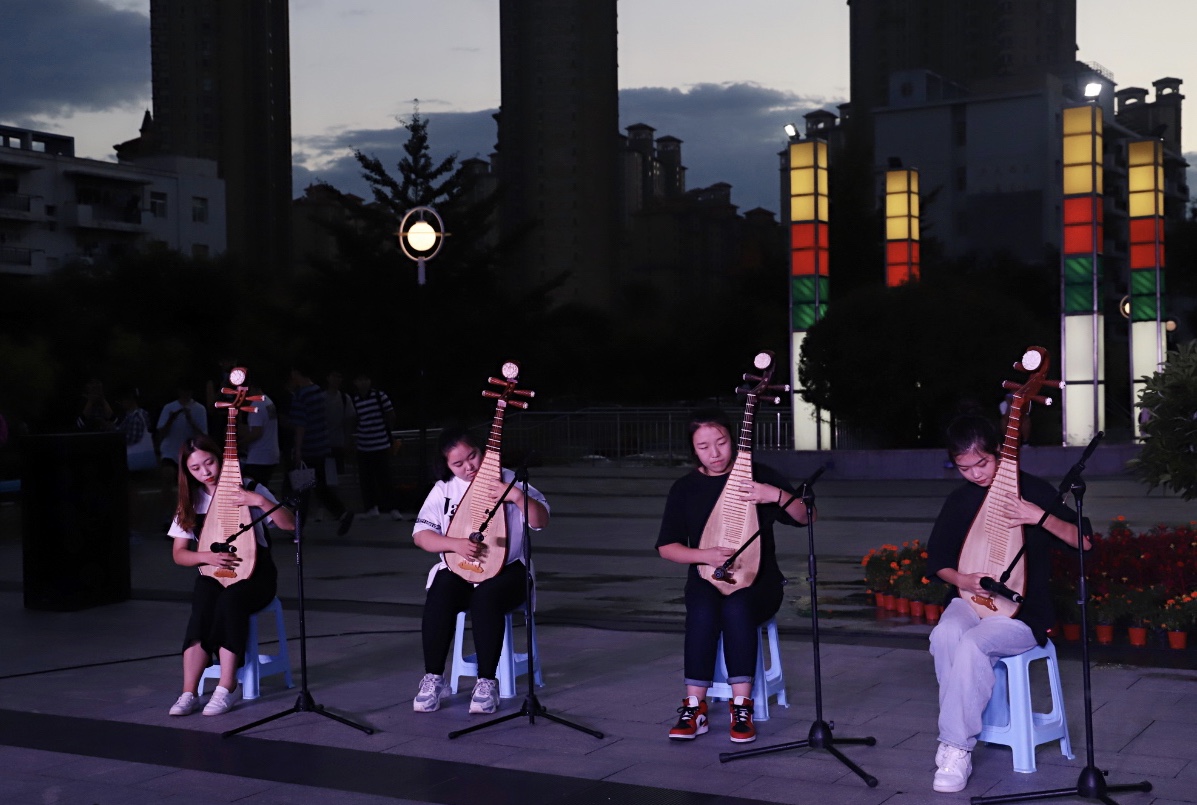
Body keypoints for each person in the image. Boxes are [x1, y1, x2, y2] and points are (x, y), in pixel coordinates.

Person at [925, 413, 1091, 794]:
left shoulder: (1032, 490)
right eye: (964, 468)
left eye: (982, 463)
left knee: (973, 644)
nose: (975, 474)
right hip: (970, 599)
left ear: (1000, 450)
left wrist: (1039, 516)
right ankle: (957, 732)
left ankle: (956, 747)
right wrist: (963, 581)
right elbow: (938, 561)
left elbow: (1083, 542)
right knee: (946, 634)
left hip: (1022, 613)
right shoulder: (960, 500)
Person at [656, 408, 810, 744]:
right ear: (693, 449)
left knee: (737, 607)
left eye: (721, 442)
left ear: (734, 440)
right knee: (702, 609)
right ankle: (694, 707)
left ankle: (741, 707)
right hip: (706, 577)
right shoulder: (685, 488)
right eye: (703, 447)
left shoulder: (757, 475)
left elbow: (805, 516)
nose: (714, 453)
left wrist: (773, 494)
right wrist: (705, 555)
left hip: (761, 581)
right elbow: (667, 547)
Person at [410, 427, 549, 715]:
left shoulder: (509, 479)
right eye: (458, 464)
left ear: (483, 451)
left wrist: (516, 496)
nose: (469, 467)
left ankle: (487, 682)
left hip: (509, 571)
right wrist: (455, 544)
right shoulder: (445, 489)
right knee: (441, 589)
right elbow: (421, 535)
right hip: (460, 568)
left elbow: (541, 521)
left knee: (486, 597)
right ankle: (434, 677)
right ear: (446, 465)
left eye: (472, 456)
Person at [166, 435, 295, 717]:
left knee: (230, 600)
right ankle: (189, 692)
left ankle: (228, 686)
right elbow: (179, 554)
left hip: (256, 577)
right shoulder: (191, 501)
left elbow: (290, 525)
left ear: (221, 459)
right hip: (214, 573)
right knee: (203, 600)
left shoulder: (250, 486)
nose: (205, 472)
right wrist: (207, 557)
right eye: (195, 468)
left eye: (209, 462)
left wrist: (258, 500)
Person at [288, 366, 353, 535]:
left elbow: (300, 425)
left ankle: (297, 527)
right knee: (320, 486)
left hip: (308, 448)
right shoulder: (318, 391)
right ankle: (342, 513)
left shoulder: (301, 395)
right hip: (321, 446)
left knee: (303, 489)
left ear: (297, 373)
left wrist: (298, 449)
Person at [351, 373, 403, 520]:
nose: (363, 383)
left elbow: (391, 415)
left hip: (380, 443)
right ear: (355, 382)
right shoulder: (355, 400)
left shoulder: (380, 396)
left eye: (365, 379)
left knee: (385, 478)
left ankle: (392, 508)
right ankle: (372, 508)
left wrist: (386, 431)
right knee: (367, 479)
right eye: (360, 380)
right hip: (364, 445)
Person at [239, 382, 280, 487]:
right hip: (270, 454)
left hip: (258, 457)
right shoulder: (267, 401)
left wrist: (239, 444)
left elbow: (256, 433)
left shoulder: (256, 405)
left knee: (252, 488)